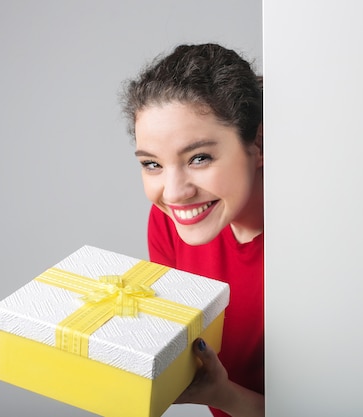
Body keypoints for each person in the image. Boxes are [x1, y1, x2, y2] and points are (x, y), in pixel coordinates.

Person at [120, 43, 264, 417]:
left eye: (199, 158)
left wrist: (225, 395)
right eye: (152, 164)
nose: (174, 192)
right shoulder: (170, 224)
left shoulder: (318, 247)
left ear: (258, 143)